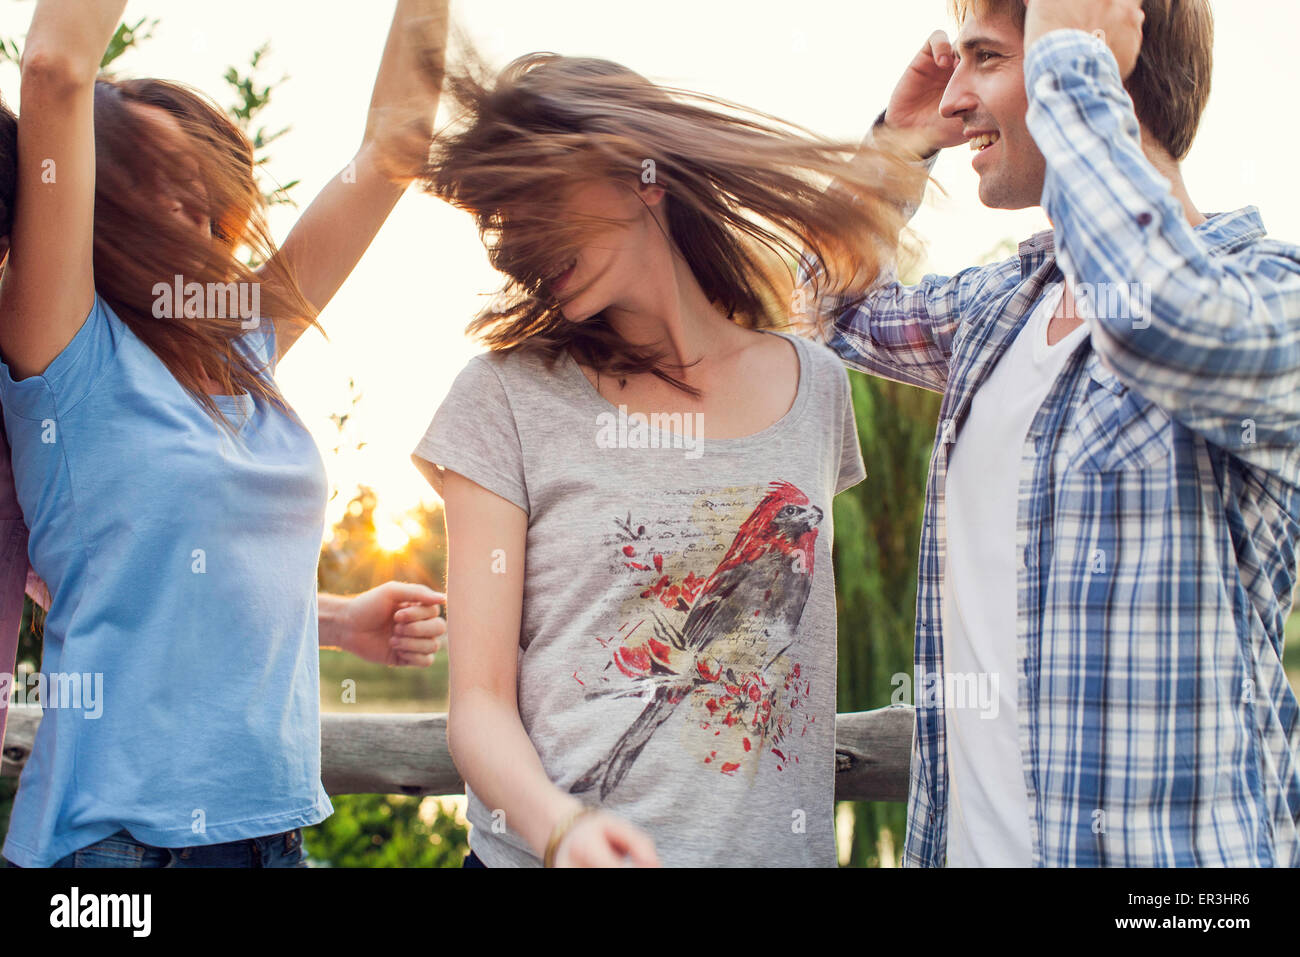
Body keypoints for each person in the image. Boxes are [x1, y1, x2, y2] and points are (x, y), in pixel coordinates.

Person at [797, 0, 1299, 867]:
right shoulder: (1002, 308)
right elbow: (826, 304)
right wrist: (894, 150)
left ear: (1106, 57)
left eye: (985, 59)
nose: (956, 98)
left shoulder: (1269, 294)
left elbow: (1158, 322)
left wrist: (1073, 74)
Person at [412, 53, 920, 866]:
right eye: (500, 223)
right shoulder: (501, 399)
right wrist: (561, 828)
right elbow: (476, 705)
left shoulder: (816, 388)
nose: (514, 247)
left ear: (642, 174)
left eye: (532, 200)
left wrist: (901, 147)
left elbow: (836, 275)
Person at [0, 0, 450, 868]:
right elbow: (57, 66)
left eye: (213, 190)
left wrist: (339, 621)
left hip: (273, 839)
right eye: (164, 182)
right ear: (98, 193)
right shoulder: (63, 346)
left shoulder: (244, 337)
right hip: (117, 853)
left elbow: (394, 150)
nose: (201, 211)